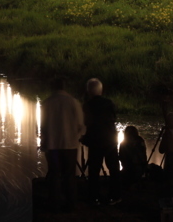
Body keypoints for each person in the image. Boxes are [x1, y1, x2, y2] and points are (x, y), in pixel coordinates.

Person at [41, 77, 85, 212]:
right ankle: (71, 203)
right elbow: (81, 125)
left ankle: (54, 202)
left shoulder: (46, 103)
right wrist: (77, 136)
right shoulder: (73, 102)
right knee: (69, 175)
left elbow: (43, 126)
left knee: (54, 174)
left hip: (53, 145)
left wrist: (44, 142)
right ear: (64, 87)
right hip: (70, 145)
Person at [82, 78, 122, 205]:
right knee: (114, 168)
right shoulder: (109, 103)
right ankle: (114, 196)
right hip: (110, 139)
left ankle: (94, 197)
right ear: (101, 90)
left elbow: (86, 122)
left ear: (88, 91)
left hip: (95, 140)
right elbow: (113, 119)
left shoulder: (87, 105)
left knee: (94, 170)